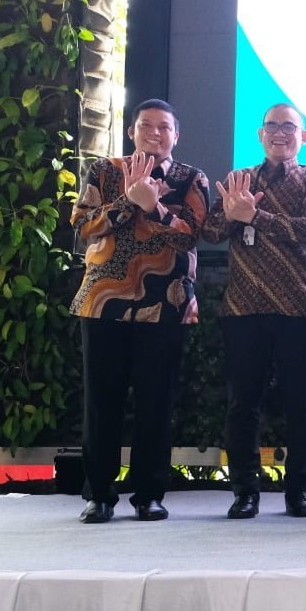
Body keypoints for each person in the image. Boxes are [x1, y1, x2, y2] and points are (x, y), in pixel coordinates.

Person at [70, 99, 209, 523]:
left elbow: (192, 236)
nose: (155, 132)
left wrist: (155, 207)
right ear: (131, 131)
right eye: (146, 125)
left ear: (176, 135)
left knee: (156, 403)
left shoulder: (191, 179)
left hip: (165, 305)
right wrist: (127, 202)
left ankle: (150, 494)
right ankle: (99, 495)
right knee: (102, 402)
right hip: (103, 302)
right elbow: (82, 224)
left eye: (164, 127)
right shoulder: (104, 171)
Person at [201, 104, 306, 520]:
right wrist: (231, 214)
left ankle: (300, 492)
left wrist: (254, 216)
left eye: (288, 127)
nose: (280, 133)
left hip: (299, 306)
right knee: (242, 405)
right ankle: (245, 492)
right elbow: (211, 232)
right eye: (272, 127)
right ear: (260, 135)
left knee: (301, 405)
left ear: (303, 137)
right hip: (245, 306)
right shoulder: (238, 179)